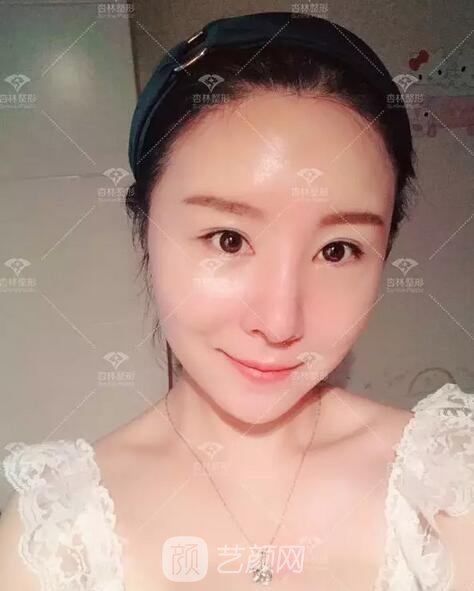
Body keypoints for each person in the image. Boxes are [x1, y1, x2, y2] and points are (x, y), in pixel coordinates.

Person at [1, 11, 473, 591]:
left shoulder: (448, 487)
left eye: (337, 250)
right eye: (228, 239)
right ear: (145, 227)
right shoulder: (57, 536)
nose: (279, 322)